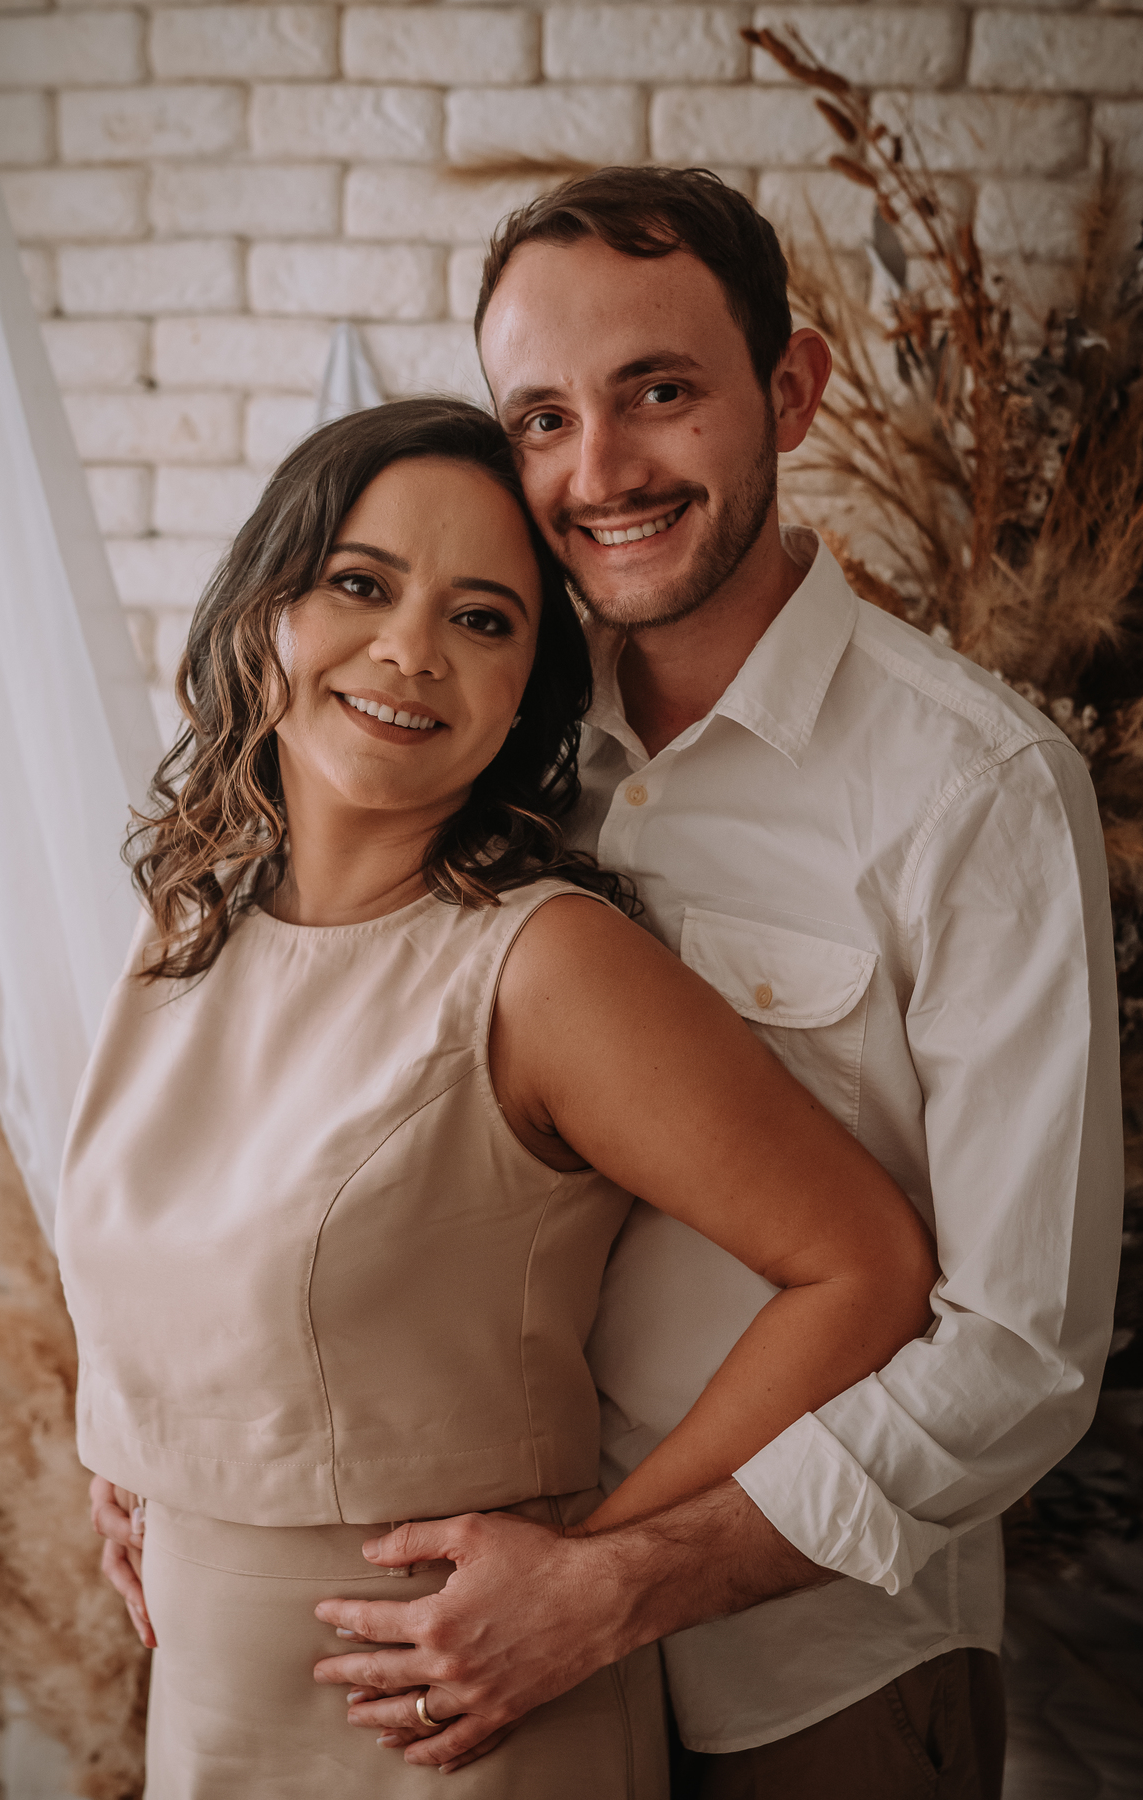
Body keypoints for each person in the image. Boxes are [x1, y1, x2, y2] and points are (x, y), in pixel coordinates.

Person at [268, 171, 1124, 1798]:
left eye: (659, 393)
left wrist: (614, 1584)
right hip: (473, 1663)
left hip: (812, 1682)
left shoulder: (977, 789)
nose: (598, 473)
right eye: (542, 419)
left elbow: (1020, 1353)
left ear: (789, 390)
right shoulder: (488, 724)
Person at [61, 396, 938, 1797]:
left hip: (461, 1720)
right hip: (211, 1714)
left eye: (482, 619)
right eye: (361, 585)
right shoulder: (184, 928)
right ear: (265, 610)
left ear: (531, 689)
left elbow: (867, 1267)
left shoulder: (543, 967)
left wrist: (598, 1572)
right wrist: (140, 1455)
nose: (411, 651)